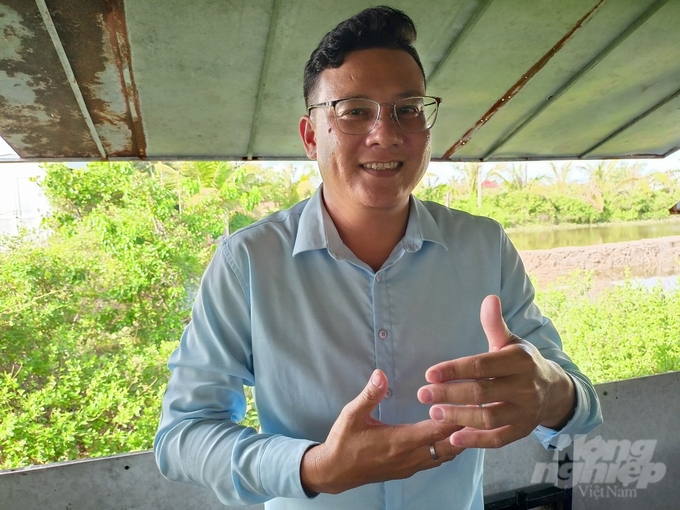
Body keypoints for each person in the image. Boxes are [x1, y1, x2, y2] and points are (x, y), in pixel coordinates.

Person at [154, 6, 602, 509]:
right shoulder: (249, 262)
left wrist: (551, 393)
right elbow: (182, 437)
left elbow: (580, 405)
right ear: (309, 136)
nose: (386, 134)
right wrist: (315, 467)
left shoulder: (484, 246)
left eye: (407, 108)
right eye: (354, 111)